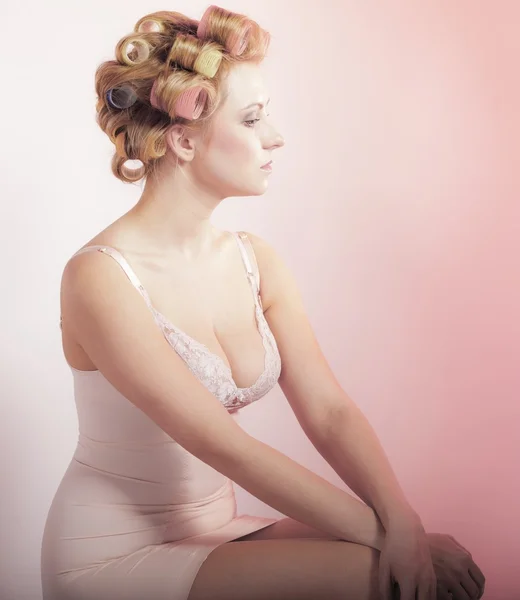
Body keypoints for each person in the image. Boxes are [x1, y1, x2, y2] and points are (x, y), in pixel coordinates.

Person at [40, 5, 486, 600]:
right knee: (389, 578)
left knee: (430, 565)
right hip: (112, 554)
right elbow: (224, 446)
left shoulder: (255, 260)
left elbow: (328, 411)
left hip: (219, 529)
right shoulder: (98, 277)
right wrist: (397, 541)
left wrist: (402, 519)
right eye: (252, 120)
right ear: (184, 140)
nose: (275, 137)